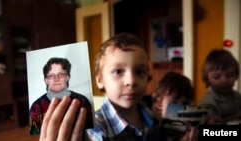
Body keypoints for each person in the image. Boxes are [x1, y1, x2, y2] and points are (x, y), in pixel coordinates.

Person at [39, 33, 197, 141]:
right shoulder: (95, 129)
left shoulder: (152, 117)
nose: (131, 81)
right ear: (100, 80)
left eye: (140, 72)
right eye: (118, 71)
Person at [29, 57, 94, 135]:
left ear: (68, 77)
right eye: (51, 76)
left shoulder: (83, 101)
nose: (56, 79)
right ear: (46, 80)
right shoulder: (37, 107)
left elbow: (91, 133)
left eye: (61, 74)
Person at [151, 71, 198, 140]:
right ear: (159, 103)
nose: (181, 109)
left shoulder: (188, 129)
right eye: (174, 103)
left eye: (185, 104)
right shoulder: (153, 131)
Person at [198, 49, 241, 124]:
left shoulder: (237, 96)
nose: (224, 80)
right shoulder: (207, 101)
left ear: (236, 75)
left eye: (230, 75)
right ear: (207, 79)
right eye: (217, 77)